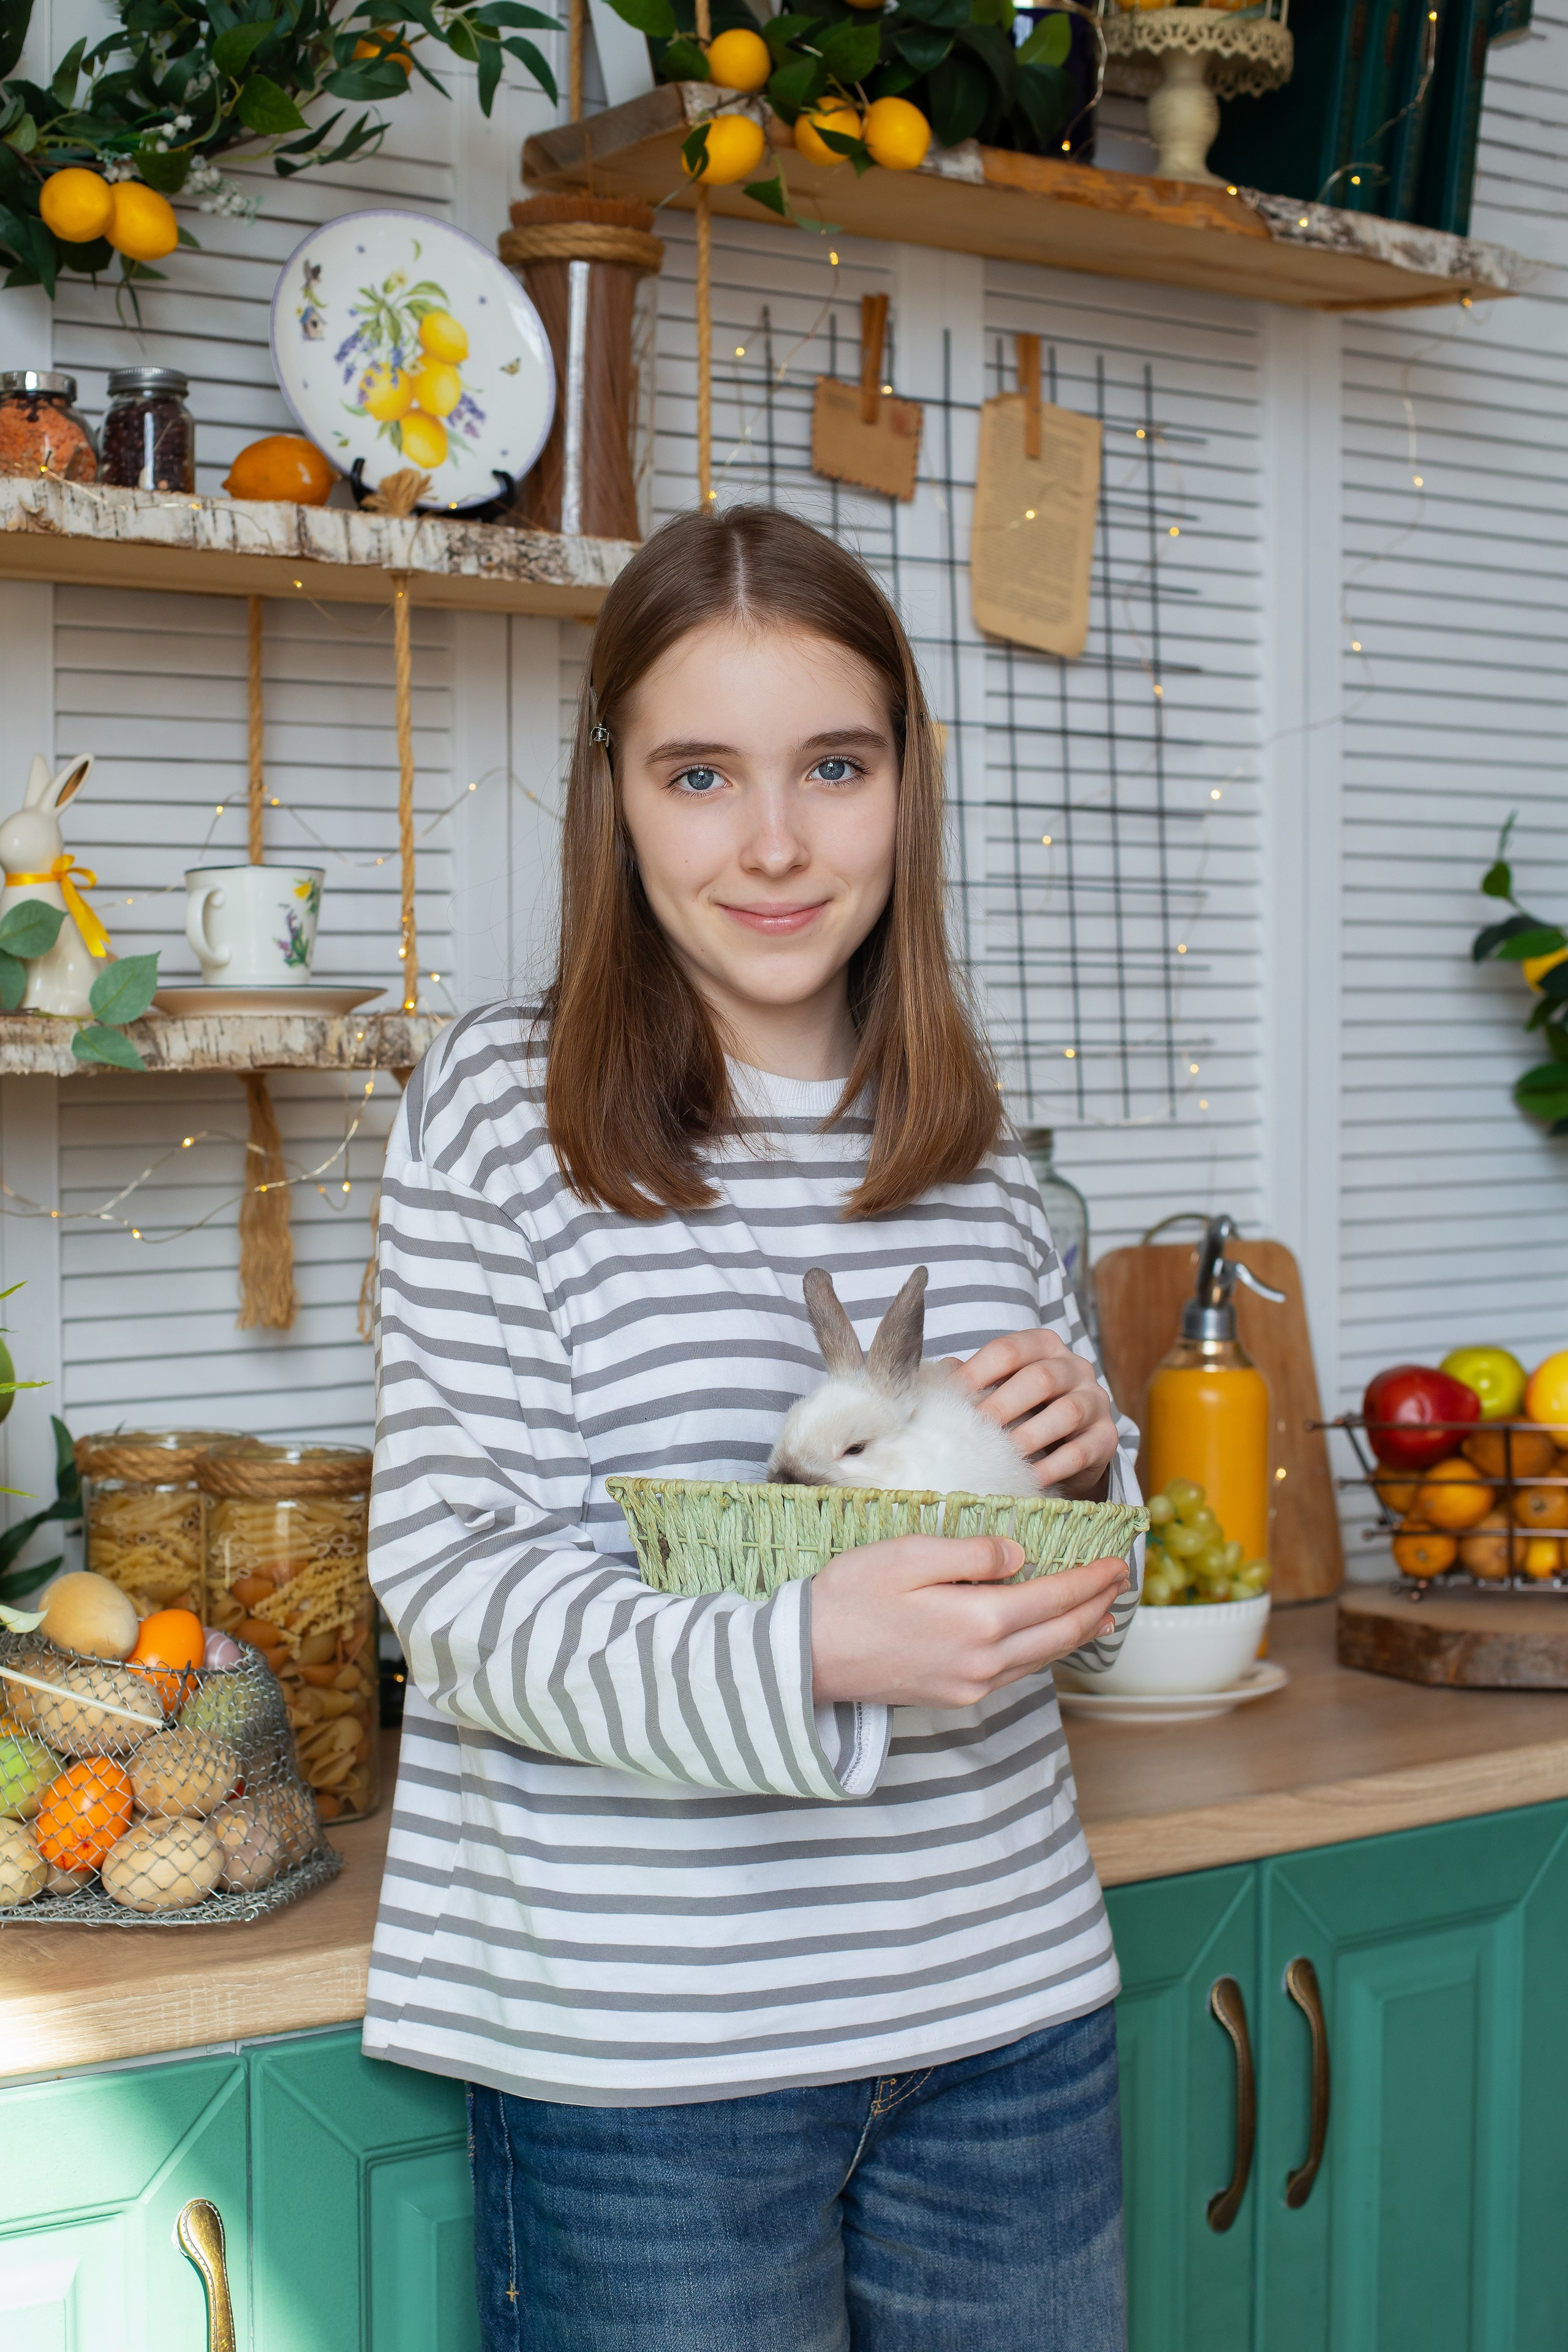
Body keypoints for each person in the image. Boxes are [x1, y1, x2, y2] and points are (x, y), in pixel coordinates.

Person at [366, 503, 1142, 2352]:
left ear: (908, 784)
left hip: (1008, 2020)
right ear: (615, 794)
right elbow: (458, 1602)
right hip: (651, 2072)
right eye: (701, 773)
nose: (777, 843)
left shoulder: (974, 1153)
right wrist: (819, 1647)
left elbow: (1077, 1631)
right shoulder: (499, 1111)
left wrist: (1085, 1485)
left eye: (836, 766)